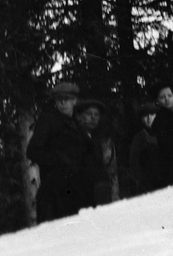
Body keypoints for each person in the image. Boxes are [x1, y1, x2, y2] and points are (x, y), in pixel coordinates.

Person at [27, 81, 94, 222]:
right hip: (55, 193)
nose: (62, 103)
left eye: (67, 99)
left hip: (78, 191)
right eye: (59, 100)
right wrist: (59, 159)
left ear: (75, 101)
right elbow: (33, 151)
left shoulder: (78, 123)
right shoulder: (48, 121)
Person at [74, 98, 117, 206]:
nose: (93, 117)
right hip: (83, 191)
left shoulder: (96, 138)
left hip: (98, 190)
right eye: (88, 114)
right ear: (80, 117)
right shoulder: (75, 136)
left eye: (96, 114)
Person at [127, 102, 161, 196]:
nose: (149, 118)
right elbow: (134, 161)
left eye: (152, 115)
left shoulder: (164, 133)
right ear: (141, 119)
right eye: (145, 116)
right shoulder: (139, 137)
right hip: (148, 182)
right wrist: (141, 180)